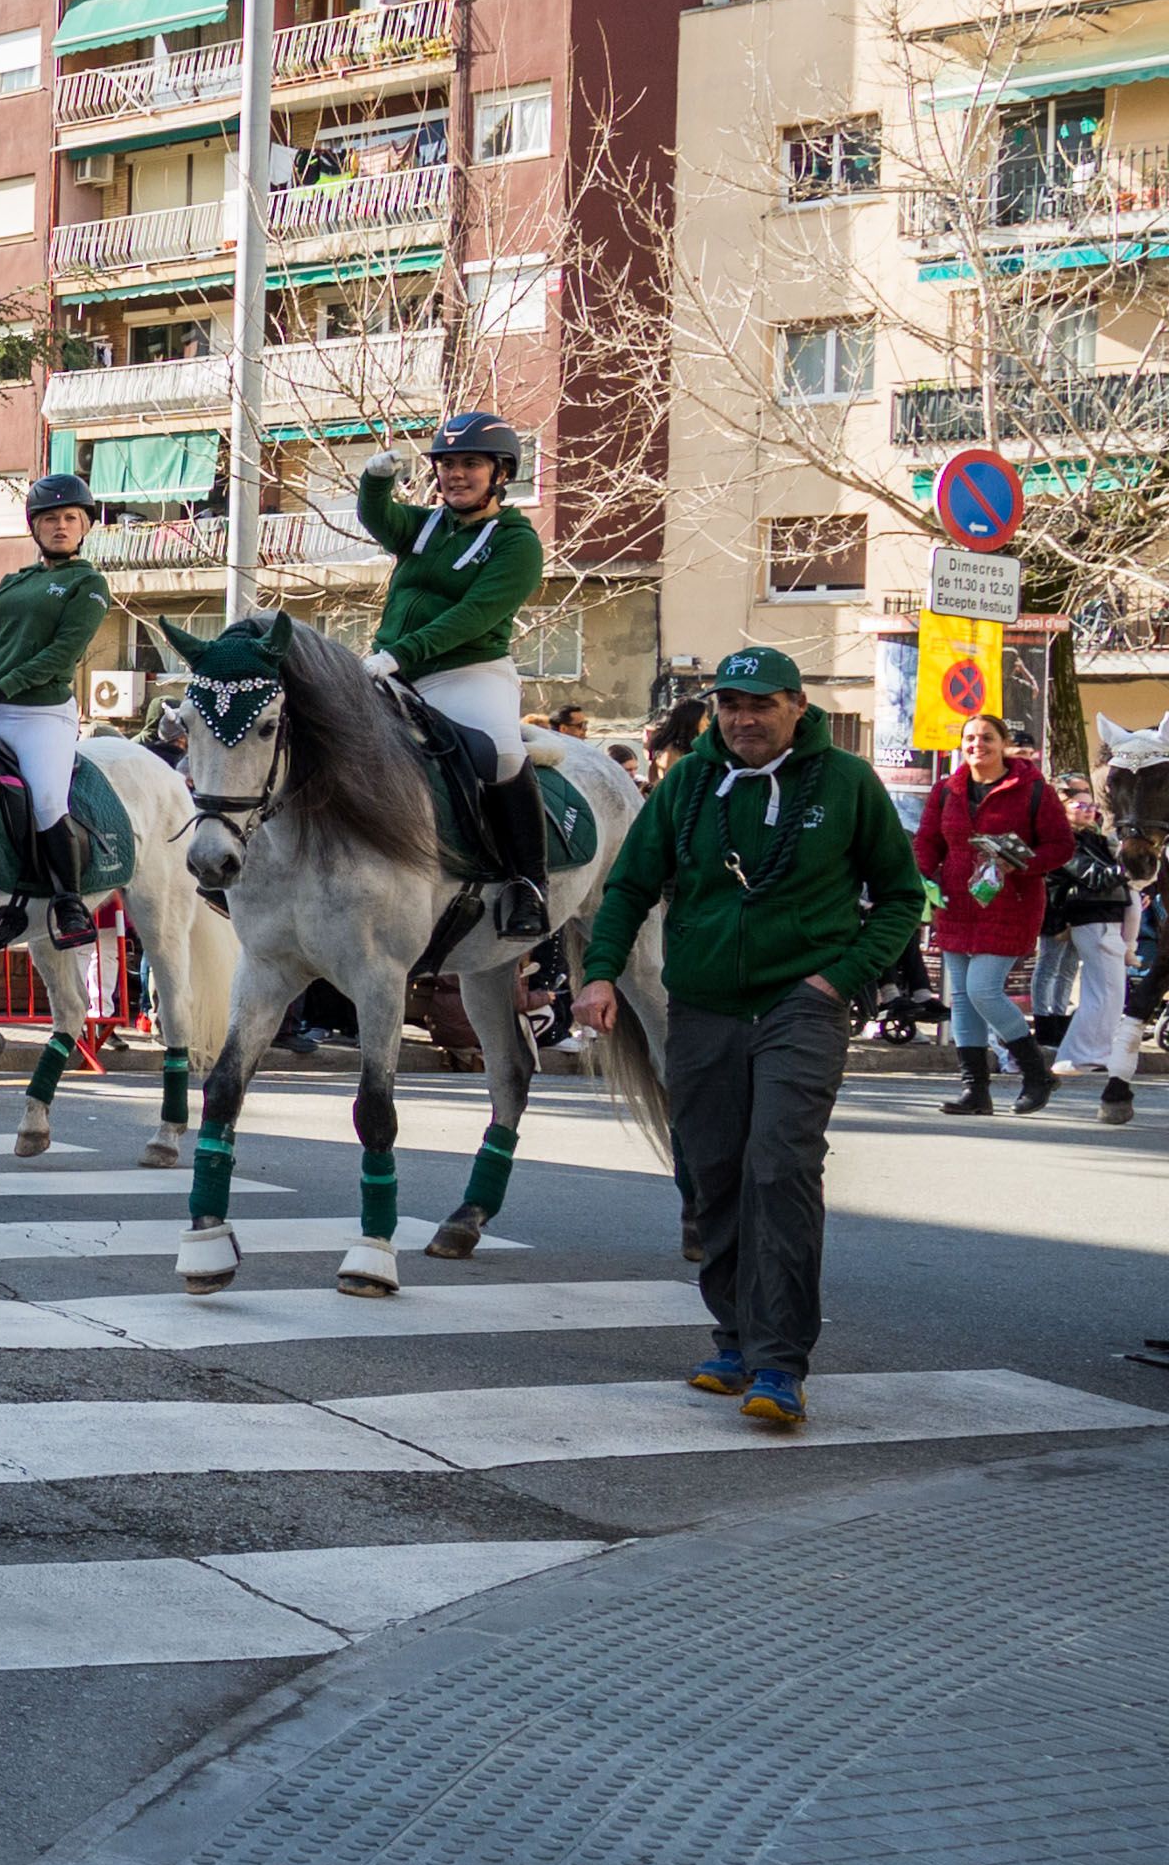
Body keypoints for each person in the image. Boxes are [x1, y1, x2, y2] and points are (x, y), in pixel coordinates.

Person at [579, 647, 926, 1428]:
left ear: (798, 706)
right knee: (713, 1174)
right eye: (731, 705)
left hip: (801, 1004)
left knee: (781, 1166)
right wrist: (600, 972)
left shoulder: (846, 784)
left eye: (761, 704)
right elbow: (632, 884)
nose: (744, 719)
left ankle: (780, 1363)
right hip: (702, 1006)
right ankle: (733, 1340)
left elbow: (903, 896)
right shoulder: (689, 787)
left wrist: (841, 976)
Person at [355, 411, 553, 937]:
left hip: (467, 672)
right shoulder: (426, 527)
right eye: (446, 465)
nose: (455, 475)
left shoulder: (517, 543)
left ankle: (529, 884)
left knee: (503, 754)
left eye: (470, 464)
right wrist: (375, 483)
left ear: (501, 474)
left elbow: (473, 617)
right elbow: (380, 521)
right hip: (393, 668)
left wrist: (401, 653)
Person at [0, 470, 115, 948]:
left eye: (70, 518)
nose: (60, 526)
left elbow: (62, 654)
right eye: (50, 519)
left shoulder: (90, 584)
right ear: (34, 527)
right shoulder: (12, 583)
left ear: (84, 526)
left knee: (45, 801)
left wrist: (4, 685)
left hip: (42, 715)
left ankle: (69, 902)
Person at [916, 714, 1064, 1114]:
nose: (976, 744)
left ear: (1003, 744)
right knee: (963, 998)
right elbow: (928, 840)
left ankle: (1036, 1074)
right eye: (969, 738)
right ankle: (975, 1091)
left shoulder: (1034, 790)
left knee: (983, 989)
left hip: (1009, 903)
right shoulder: (947, 790)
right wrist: (925, 875)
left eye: (986, 738)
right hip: (957, 904)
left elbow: (1060, 846)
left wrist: (1021, 862)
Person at [1040, 777, 1141, 1126]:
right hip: (1091, 919)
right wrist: (1129, 868)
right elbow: (1094, 879)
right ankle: (1076, 1056)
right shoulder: (1066, 842)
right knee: (1104, 992)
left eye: (1090, 804)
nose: (1088, 810)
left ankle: (1086, 1054)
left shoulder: (1093, 840)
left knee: (1110, 993)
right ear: (1063, 809)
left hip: (1104, 919)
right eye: (1080, 804)